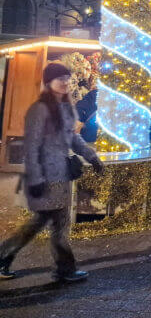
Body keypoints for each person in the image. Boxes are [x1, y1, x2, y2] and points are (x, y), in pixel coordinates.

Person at [0, 62, 104, 282]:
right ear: (49, 82)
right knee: (51, 224)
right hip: (46, 177)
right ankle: (64, 269)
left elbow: (73, 138)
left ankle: (61, 269)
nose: (65, 82)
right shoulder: (39, 109)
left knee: (50, 223)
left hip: (61, 174)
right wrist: (36, 179)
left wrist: (92, 157)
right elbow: (32, 146)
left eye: (67, 78)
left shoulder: (66, 108)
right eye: (60, 79)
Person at [75, 77, 99, 143]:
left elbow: (80, 107)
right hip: (90, 137)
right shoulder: (94, 94)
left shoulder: (95, 94)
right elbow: (80, 107)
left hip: (89, 136)